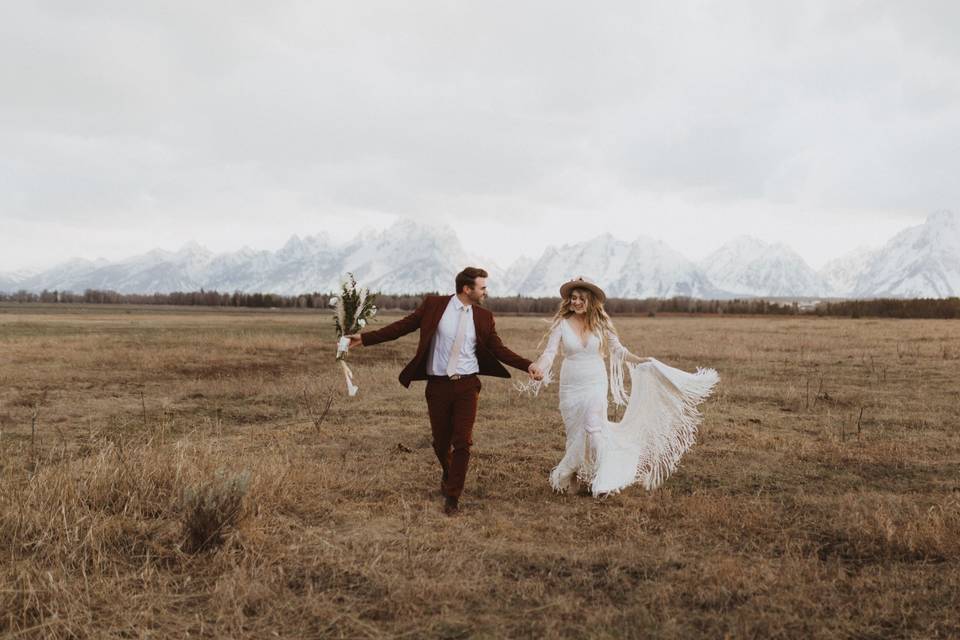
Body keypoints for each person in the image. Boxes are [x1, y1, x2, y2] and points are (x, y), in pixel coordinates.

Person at [347, 267, 543, 515]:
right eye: (482, 287)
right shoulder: (434, 305)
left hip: (467, 385)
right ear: (467, 289)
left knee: (463, 442)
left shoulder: (484, 317)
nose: (486, 292)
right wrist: (365, 339)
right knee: (441, 443)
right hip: (438, 385)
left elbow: (499, 350)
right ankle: (449, 472)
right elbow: (402, 327)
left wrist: (528, 365)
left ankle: (453, 496)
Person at [526, 276, 718, 496]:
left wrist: (641, 360)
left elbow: (619, 350)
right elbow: (549, 353)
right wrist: (539, 367)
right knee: (575, 432)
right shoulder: (562, 324)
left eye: (581, 298)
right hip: (571, 385)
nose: (576, 302)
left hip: (596, 382)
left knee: (593, 426)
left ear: (590, 300)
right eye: (573, 298)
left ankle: (599, 476)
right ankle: (573, 475)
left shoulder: (601, 324)